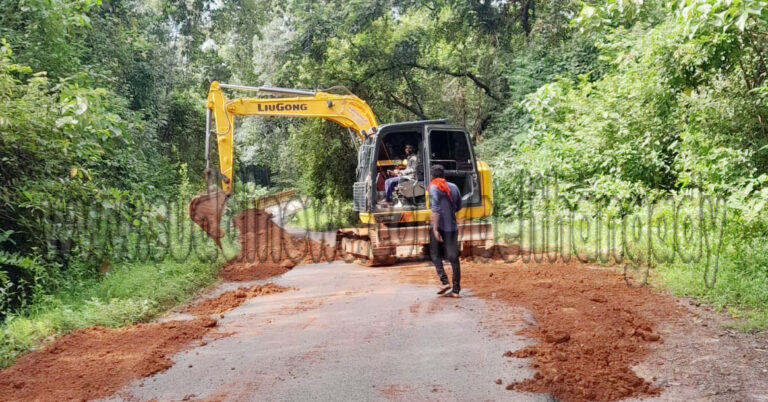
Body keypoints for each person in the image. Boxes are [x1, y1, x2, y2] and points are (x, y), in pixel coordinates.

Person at [428, 164, 462, 298]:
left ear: (432, 176)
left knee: (435, 255)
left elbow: (435, 209)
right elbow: (458, 207)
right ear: (444, 175)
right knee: (454, 258)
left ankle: (444, 281)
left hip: (439, 226)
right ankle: (456, 291)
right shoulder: (454, 187)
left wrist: (435, 229)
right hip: (452, 227)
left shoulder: (433, 187)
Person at [378, 143, 419, 207]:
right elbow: (406, 170)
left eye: (409, 148)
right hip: (405, 176)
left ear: (413, 149)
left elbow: (412, 170)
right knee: (388, 180)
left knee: (388, 181)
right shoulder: (409, 158)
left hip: (410, 178)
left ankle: (388, 200)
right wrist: (394, 173)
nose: (407, 149)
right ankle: (388, 199)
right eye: (406, 148)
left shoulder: (414, 158)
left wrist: (400, 172)